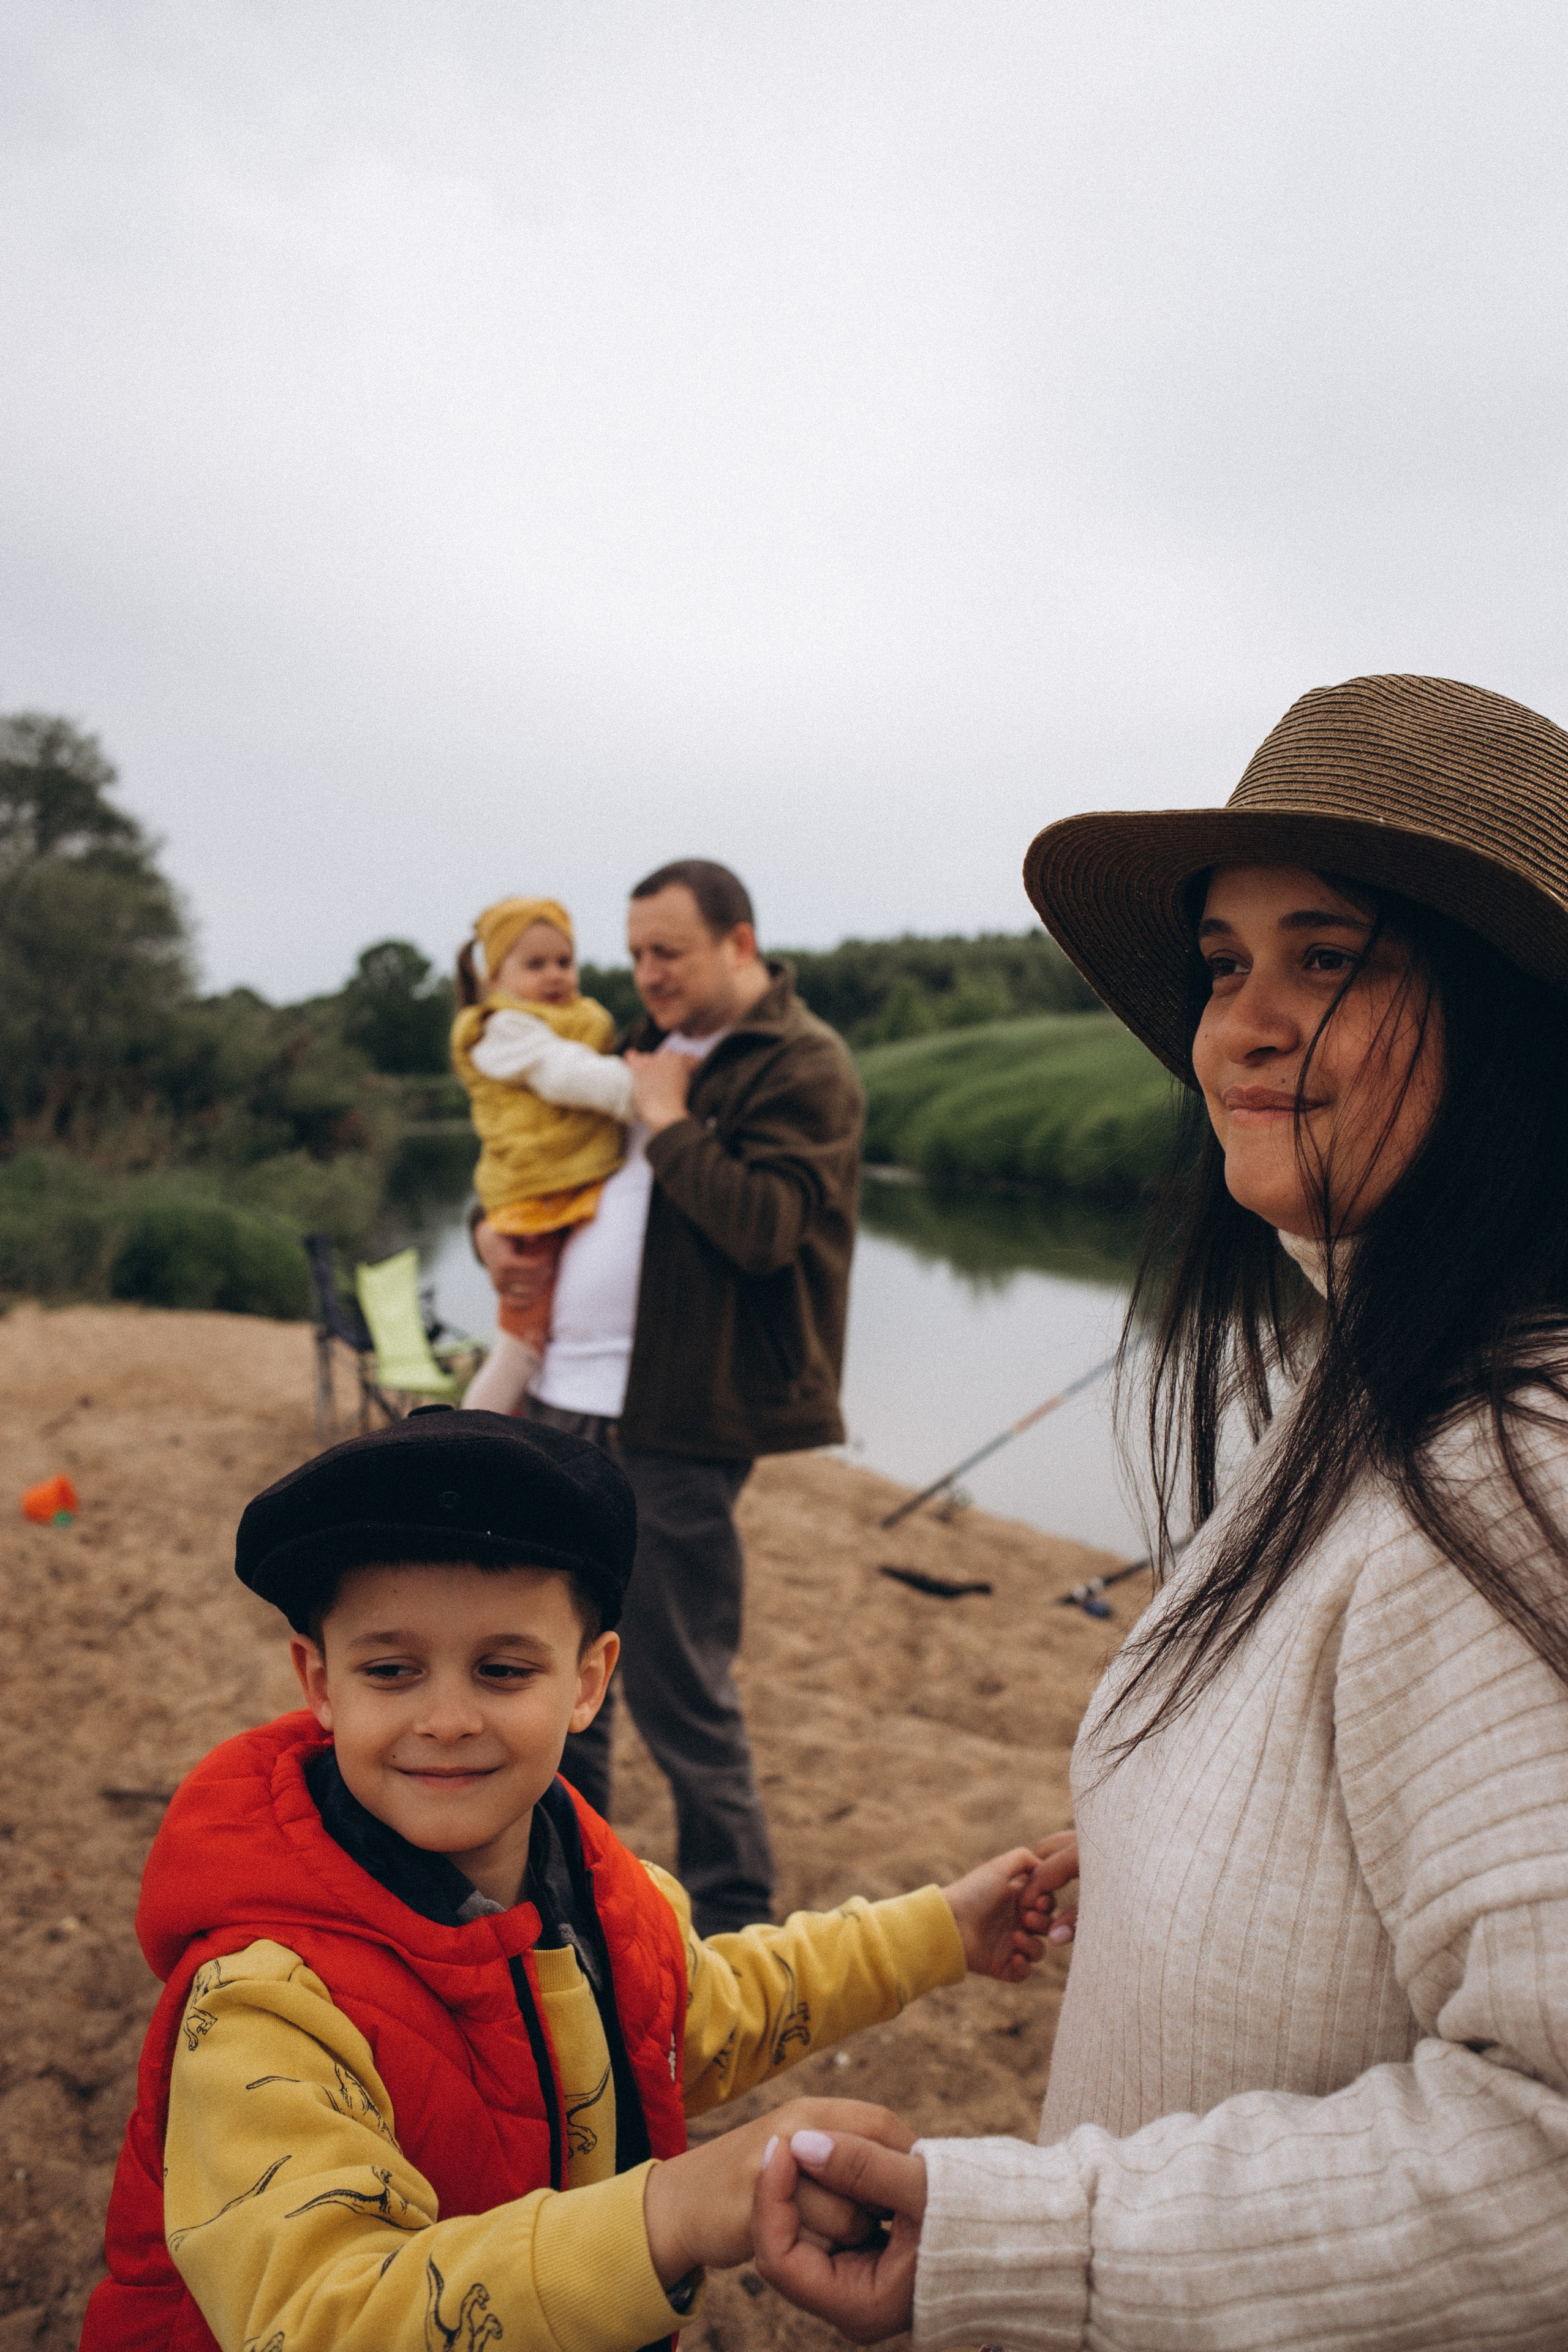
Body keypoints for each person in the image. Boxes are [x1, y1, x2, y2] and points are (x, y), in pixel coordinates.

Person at [749, 673, 1568, 2346]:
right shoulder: (1361, 1375)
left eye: (1324, 959)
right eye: (1221, 964)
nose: (1238, 1027)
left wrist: (1029, 2240)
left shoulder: (1514, 1468)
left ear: (1513, 1016)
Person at [81, 1408, 1072, 2352]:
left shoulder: (598, 1889)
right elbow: (321, 2318)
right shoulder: (263, 2004)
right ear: (319, 1682)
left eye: (503, 1670)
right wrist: (670, 2212)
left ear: (589, 1682)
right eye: (392, 1671)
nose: (448, 1720)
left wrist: (946, 1928)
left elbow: (704, 2016)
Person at [475, 858, 863, 1935]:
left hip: (679, 1420)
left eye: (670, 952)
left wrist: (671, 1119)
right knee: (559, 1676)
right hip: (557, 1401)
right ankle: (567, 1901)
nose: (646, 973)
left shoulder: (802, 1063)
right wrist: (487, 1236)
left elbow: (767, 1229)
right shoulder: (637, 1048)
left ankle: (736, 1921)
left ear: (739, 944)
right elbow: (534, 1157)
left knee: (679, 1686)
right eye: (637, 953)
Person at [450, 896, 635, 1414]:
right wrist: (647, 1090)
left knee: (539, 1340)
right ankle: (471, 1440)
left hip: (558, 1196)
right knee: (519, 1347)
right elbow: (565, 1074)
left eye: (564, 961)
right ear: (496, 978)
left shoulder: (572, 1023)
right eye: (534, 964)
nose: (555, 975)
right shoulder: (504, 1029)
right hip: (532, 1201)